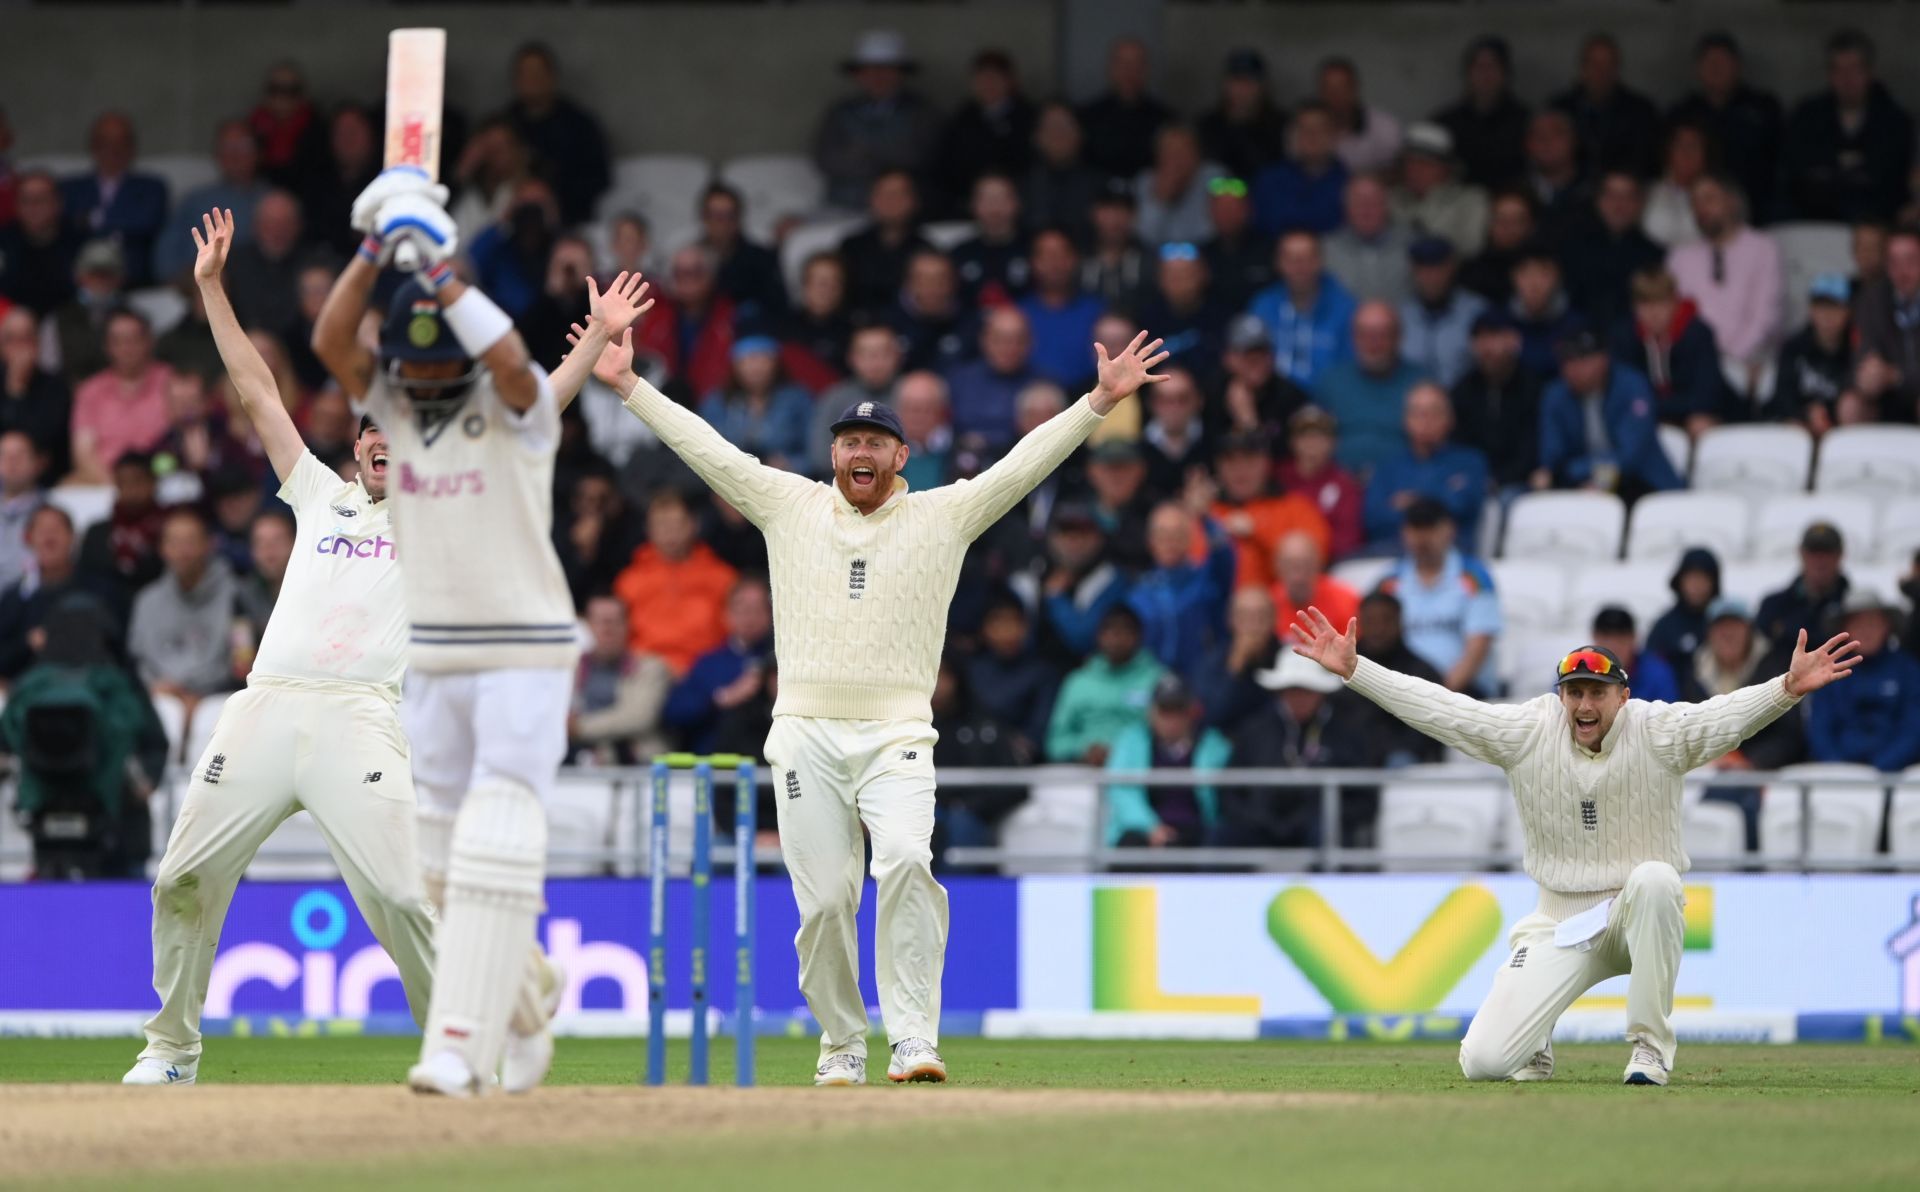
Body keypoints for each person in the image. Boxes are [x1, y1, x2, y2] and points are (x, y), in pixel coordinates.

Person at [582, 284, 1169, 1084]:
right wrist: (629, 386)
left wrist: (1097, 403)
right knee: (825, 903)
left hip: (897, 733)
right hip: (805, 733)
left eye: (876, 442)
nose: (860, 453)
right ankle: (842, 1043)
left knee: (904, 863)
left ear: (901, 456)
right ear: (833, 455)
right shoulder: (788, 505)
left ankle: (915, 1037)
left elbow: (1021, 466)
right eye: (849, 441)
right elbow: (711, 451)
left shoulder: (943, 516)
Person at [310, 172, 645, 1097]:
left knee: (499, 829)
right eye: (403, 376)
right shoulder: (401, 417)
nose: (413, 389)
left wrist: (445, 269)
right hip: (439, 653)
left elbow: (509, 362)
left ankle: (458, 1047)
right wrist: (377, 248)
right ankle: (531, 997)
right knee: (434, 871)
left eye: (428, 373)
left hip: (527, 648)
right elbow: (333, 341)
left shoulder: (517, 412)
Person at [122, 209, 433, 1089]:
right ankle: (171, 1049)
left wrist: (594, 347)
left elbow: (533, 425)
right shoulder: (319, 494)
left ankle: (459, 1046)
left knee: (404, 898)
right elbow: (259, 391)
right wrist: (212, 289)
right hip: (265, 707)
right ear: (358, 443)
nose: (380, 442)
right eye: (370, 430)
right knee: (181, 879)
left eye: (397, 433)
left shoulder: (440, 515)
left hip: (360, 719)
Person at [1289, 605, 1858, 1085]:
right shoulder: (1529, 733)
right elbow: (1444, 710)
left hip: (1637, 911)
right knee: (1484, 1063)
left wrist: (1784, 690)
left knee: (1657, 879)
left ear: (1622, 695)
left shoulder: (1657, 731)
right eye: (1574, 693)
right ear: (1560, 695)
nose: (1584, 707)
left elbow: (1723, 717)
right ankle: (1535, 1038)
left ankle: (1649, 1048)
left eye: (1597, 693)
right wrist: (1356, 671)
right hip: (1560, 919)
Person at [1217, 647, 1375, 847]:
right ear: (1280, 691)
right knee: (1226, 835)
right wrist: (1257, 817)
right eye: (1292, 690)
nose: (1299, 698)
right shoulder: (1255, 732)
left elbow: (1364, 800)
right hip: (1260, 826)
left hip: (1320, 830)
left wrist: (1322, 813)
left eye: (1307, 690)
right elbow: (1229, 793)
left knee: (1330, 834)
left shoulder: (1346, 735)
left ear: (1321, 693)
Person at [1666, 176, 1781, 398]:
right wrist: (1713, 360)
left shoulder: (1763, 248)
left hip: (1752, 361)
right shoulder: (1679, 257)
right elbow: (1674, 317)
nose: (1701, 208)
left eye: (1709, 199)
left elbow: (1766, 317)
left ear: (1732, 202)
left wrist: (1731, 359)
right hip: (1697, 362)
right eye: (1695, 201)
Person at [1782, 30, 1914, 223]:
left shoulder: (1895, 122)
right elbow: (1795, 175)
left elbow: (1892, 183)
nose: (1847, 79)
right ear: (1829, 74)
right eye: (1838, 70)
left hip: (1875, 226)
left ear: (1869, 72)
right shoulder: (1807, 117)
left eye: (1855, 69)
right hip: (1814, 222)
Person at [1538, 328, 1682, 499]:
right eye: (1567, 361)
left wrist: (1582, 472)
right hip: (1579, 485)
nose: (1573, 369)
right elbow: (1552, 455)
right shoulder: (1555, 395)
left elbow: (1629, 457)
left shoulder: (1632, 387)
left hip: (1642, 484)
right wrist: (1563, 475)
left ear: (1603, 360)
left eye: (1582, 360)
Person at [1377, 497, 1500, 695]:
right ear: (1404, 533)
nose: (1423, 538)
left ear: (1449, 530)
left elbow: (1478, 646)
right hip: (1404, 695)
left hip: (1464, 694)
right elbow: (1378, 642)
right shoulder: (1390, 581)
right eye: (1416, 528)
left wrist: (1439, 698)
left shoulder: (1474, 577)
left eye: (1430, 527)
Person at [612, 487, 740, 676]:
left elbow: (735, 634)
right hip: (646, 669)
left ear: (694, 525)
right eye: (661, 525)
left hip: (704, 668)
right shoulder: (629, 580)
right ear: (648, 530)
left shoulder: (722, 577)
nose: (670, 533)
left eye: (677, 524)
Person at [815, 31, 939, 211]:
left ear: (900, 73)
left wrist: (863, 153)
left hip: (900, 210)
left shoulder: (922, 112)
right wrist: (880, 155)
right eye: (869, 70)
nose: (877, 76)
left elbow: (921, 157)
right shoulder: (841, 112)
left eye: (885, 69)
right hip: (846, 204)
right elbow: (826, 159)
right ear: (859, 75)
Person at [1103, 674, 1230, 848]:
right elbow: (1121, 791)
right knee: (1130, 844)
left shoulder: (1215, 746)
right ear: (1151, 713)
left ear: (1192, 711)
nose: (1172, 720)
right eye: (1165, 711)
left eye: (1179, 710)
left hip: (1197, 833)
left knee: (1220, 842)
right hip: (1145, 833)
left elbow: (1224, 801)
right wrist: (1150, 827)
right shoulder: (1131, 741)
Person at [1667, 32, 1782, 223]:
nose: (1716, 68)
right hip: (1694, 211)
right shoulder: (1683, 113)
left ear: (1737, 66)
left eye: (1723, 62)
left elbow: (1778, 163)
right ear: (1698, 68)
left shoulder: (1763, 108)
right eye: (1709, 62)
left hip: (1755, 209)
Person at [1362, 383, 1489, 553]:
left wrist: (1411, 503)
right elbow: (1375, 519)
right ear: (1405, 420)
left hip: (1452, 556)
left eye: (1434, 412)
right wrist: (1437, 501)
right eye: (1418, 413)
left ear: (1450, 419)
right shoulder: (1387, 466)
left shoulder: (1470, 461)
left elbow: (1462, 506)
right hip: (1392, 553)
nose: (1426, 420)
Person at [662, 577, 775, 756]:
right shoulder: (708, 663)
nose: (750, 617)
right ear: (726, 614)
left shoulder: (781, 660)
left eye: (757, 609)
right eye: (743, 609)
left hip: (769, 763)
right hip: (716, 765)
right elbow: (673, 713)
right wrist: (723, 697)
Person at [1807, 592, 1920, 772]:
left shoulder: (1908, 671)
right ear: (1845, 629)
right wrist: (1839, 770)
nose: (1866, 630)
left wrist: (1882, 768)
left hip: (1897, 777)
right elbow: (1820, 730)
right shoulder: (1829, 672)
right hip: (1837, 778)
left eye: (1873, 623)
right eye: (1858, 623)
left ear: (1887, 626)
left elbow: (1913, 728)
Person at [1314, 300, 1427, 478]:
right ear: (1353, 337)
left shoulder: (1421, 383)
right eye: (1364, 334)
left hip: (1405, 480)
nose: (1373, 343)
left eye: (1382, 334)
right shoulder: (1331, 381)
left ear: (1398, 337)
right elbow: (1313, 441)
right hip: (1342, 483)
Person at [1609, 267, 1728, 435]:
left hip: (1689, 414)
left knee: (1700, 424)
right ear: (1634, 306)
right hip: (1646, 413)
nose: (1653, 313)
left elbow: (1706, 395)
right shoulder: (1624, 336)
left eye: (1661, 303)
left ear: (1675, 302)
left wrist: (1653, 406)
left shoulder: (1697, 334)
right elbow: (1624, 392)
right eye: (1645, 304)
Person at [502, 42, 610, 227]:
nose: (531, 80)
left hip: (568, 222)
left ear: (552, 77)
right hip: (508, 222)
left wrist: (549, 192)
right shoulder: (505, 123)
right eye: (525, 74)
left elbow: (598, 178)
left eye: (537, 73)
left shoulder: (579, 125)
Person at [1207, 430, 1331, 587]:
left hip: (1282, 605)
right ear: (1219, 467)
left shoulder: (1296, 508)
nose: (1240, 470)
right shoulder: (1207, 514)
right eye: (1230, 462)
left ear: (1266, 464)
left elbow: (1315, 560)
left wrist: (1257, 533)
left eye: (1249, 460)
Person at [60, 112, 169, 289]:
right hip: (79, 280)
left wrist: (92, 220)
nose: (113, 149)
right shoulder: (70, 188)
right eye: (105, 142)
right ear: (93, 146)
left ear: (132, 147)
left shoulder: (152, 187)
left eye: (121, 142)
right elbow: (66, 226)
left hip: (134, 279)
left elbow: (146, 223)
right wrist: (123, 220)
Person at [1128, 501, 1236, 677]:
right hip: (1152, 686)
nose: (1170, 542)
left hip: (1202, 682)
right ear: (1150, 541)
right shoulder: (1138, 593)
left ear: (1189, 539)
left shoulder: (1206, 581)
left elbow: (1224, 557)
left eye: (1177, 535)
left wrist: (1206, 519)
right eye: (1162, 535)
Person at [154, 121, 268, 284]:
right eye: (227, 146)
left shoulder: (273, 202)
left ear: (258, 152)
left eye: (243, 145)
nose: (235, 153)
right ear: (217, 154)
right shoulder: (193, 201)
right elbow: (167, 256)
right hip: (197, 290)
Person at [70, 307, 173, 484]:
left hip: (162, 477)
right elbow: (83, 454)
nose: (126, 348)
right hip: (105, 483)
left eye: (133, 340)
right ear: (106, 347)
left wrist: (148, 484)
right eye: (118, 341)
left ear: (149, 341)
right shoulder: (90, 390)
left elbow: (180, 440)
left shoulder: (171, 381)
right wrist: (117, 488)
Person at [568, 593, 672, 766]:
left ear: (628, 625)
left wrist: (578, 727)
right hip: (576, 764)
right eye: (601, 621)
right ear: (587, 626)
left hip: (635, 767)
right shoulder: (569, 669)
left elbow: (637, 718)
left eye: (615, 621)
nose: (608, 629)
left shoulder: (650, 667)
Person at [1345, 590, 1446, 765]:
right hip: (1351, 763)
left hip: (1406, 768)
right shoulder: (1342, 670)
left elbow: (1430, 734)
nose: (1378, 629)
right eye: (1371, 621)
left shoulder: (1425, 674)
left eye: (1386, 620)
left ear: (1400, 622)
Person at [1247, 231, 1356, 389]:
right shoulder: (1262, 306)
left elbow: (1351, 370)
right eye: (1290, 259)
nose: (1299, 266)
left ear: (1320, 261)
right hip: (1274, 403)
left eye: (1306, 258)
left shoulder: (1346, 309)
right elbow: (1250, 361)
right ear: (1278, 263)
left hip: (1329, 405)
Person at [1449, 309, 1542, 494]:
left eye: (1494, 336)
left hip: (1518, 482)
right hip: (1472, 481)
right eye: (1480, 338)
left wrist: (1498, 480)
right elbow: (1458, 445)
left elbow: (1531, 448)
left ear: (1514, 340)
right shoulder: (1463, 390)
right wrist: (1477, 479)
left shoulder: (1533, 387)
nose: (1487, 347)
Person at [934, 50, 1036, 217]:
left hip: (1015, 204)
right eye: (982, 79)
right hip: (967, 203)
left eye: (994, 78)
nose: (988, 84)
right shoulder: (963, 118)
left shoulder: (1027, 118)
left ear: (1010, 81)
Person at [1560, 171, 1664, 335]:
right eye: (1611, 195)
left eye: (1627, 196)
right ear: (1598, 201)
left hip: (1635, 347)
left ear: (1640, 203)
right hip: (1580, 344)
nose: (1619, 204)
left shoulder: (1655, 256)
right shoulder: (1573, 249)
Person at [1550, 33, 1659, 181]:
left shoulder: (1641, 112)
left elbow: (1646, 162)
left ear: (1617, 69)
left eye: (1608, 64)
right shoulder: (1559, 110)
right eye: (1594, 63)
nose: (1601, 71)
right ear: (1582, 68)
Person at [965, 592, 1060, 758]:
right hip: (970, 758)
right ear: (984, 628)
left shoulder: (1043, 673)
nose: (1007, 630)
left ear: (1026, 626)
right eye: (998, 622)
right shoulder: (970, 670)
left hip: (1022, 767)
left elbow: (1039, 731)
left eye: (1014, 621)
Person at [698, 337, 813, 471]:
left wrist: (791, 465)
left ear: (776, 363)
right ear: (734, 365)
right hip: (730, 476)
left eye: (763, 359)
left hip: (786, 479)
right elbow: (704, 448)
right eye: (747, 360)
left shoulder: (797, 400)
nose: (755, 368)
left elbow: (816, 451)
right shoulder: (717, 401)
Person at [1434, 36, 1530, 190]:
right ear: (1468, 73)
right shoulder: (1445, 123)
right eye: (1479, 67)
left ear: (1505, 73)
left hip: (1510, 201)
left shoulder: (1525, 121)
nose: (1486, 74)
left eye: (1492, 66)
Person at [1849, 225, 1920, 423]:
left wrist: (1898, 376)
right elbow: (1861, 349)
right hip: (1883, 398)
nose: (1902, 271)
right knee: (1851, 406)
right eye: (1894, 262)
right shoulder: (1871, 298)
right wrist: (1869, 370)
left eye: (1910, 260)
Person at [1018, 228, 1105, 388]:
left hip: (1087, 398)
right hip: (1032, 402)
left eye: (1062, 255)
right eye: (1046, 256)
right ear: (1033, 262)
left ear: (1075, 259)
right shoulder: (1018, 314)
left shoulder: (1097, 311)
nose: (1054, 264)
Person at [1768, 273, 1856, 433]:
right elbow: (1782, 397)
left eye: (1834, 307)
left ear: (1847, 311)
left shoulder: (1856, 348)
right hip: (1798, 427)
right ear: (1811, 310)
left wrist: (1827, 414)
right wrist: (1806, 413)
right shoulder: (1793, 347)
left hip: (1840, 431)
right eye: (1821, 307)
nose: (1827, 316)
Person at [1077, 37, 1173, 182]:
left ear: (1146, 69)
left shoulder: (1166, 119)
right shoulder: (1086, 117)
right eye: (1122, 63)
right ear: (1110, 68)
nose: (1129, 71)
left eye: (1137, 64)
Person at [1755, 523, 1852, 663]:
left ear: (1840, 555)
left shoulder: (1854, 607)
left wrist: (1787, 632)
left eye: (1827, 552)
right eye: (1814, 552)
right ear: (1801, 554)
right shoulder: (1772, 605)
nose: (1820, 560)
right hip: (1784, 682)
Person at [1275, 404, 1362, 560]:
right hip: (1280, 562)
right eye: (1305, 435)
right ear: (1292, 441)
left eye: (1320, 436)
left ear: (1333, 442)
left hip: (1329, 564)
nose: (1312, 443)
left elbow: (1348, 539)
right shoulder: (1278, 478)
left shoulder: (1344, 484)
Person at [842, 170, 935, 312]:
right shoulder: (851, 247)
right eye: (884, 194)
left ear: (915, 201)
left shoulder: (927, 251)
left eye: (899, 194)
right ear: (871, 199)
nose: (891, 201)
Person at [1391, 124, 1489, 258]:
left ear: (1446, 169)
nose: (1414, 171)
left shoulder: (1471, 201)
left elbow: (1472, 249)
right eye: (1409, 163)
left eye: (1424, 164)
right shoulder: (1391, 198)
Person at [1399, 236, 1486, 388]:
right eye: (1424, 270)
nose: (1432, 278)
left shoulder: (1476, 312)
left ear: (1451, 268)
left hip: (1463, 405)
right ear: (1414, 271)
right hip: (1410, 407)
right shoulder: (1399, 315)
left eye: (1438, 269)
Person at [1251, 102, 1348, 237]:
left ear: (1334, 137)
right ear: (1291, 136)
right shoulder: (1268, 181)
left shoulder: (1349, 185)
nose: (1312, 136)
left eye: (1320, 129)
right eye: (1304, 129)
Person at [697, 183, 787, 319]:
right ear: (704, 217)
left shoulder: (763, 259)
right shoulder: (689, 259)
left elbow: (776, 310)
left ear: (738, 218)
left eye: (728, 215)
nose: (721, 222)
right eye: (715, 215)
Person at [1198, 49, 1288, 182]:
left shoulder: (1280, 125)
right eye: (1237, 81)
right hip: (1219, 197)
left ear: (1263, 86)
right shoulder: (1208, 125)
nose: (1243, 89)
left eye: (1250, 82)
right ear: (1226, 84)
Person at [1322, 174, 1413, 305]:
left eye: (1373, 202)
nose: (1366, 209)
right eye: (1358, 202)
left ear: (1386, 205)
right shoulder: (1325, 250)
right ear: (1345, 207)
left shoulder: (1411, 245)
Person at [0, 171, 81, 317]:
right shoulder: (4, 241)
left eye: (41, 200)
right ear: (16, 205)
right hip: (11, 325)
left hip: (68, 324)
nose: (33, 207)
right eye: (26, 200)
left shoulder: (79, 241)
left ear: (58, 203)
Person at [1023, 102, 1104, 241]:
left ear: (1080, 134)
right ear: (1036, 137)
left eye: (1065, 127)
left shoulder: (1101, 186)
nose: (1058, 134)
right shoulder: (1022, 187)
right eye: (1051, 127)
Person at [1134, 124, 1222, 248]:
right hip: (1157, 256)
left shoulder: (1215, 177)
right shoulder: (1144, 181)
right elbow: (1145, 236)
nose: (1177, 159)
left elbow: (1223, 228)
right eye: (1170, 152)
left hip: (1207, 253)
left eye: (1183, 151)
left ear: (1197, 154)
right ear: (1158, 156)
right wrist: (1161, 199)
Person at [1268, 528, 1359, 648]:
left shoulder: (1345, 600)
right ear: (1276, 566)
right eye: (1290, 565)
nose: (1298, 575)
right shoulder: (1267, 603)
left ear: (1319, 564)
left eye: (1305, 564)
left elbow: (1354, 651)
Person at [951, 173, 1031, 306]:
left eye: (1002, 198)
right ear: (973, 205)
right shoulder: (959, 254)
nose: (994, 206)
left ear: (1017, 203)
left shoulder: (1034, 250)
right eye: (986, 199)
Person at [1318, 58, 1402, 176]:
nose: (1335, 95)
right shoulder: (1305, 128)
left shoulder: (1385, 127)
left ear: (1355, 88)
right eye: (1328, 88)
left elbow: (1396, 172)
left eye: (1342, 87)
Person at [1646, 547, 1722, 675]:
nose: (1697, 585)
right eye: (1692, 578)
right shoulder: (1664, 627)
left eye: (1703, 578)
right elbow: (1652, 672)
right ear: (1680, 581)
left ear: (1714, 583)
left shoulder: (1726, 624)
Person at [1590, 605, 1679, 704]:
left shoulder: (1658, 673)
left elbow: (1668, 715)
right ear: (1594, 638)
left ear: (1634, 638)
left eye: (1621, 638)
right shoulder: (1581, 673)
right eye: (1606, 637)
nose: (1613, 645)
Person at [1642, 124, 1708, 249]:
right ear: (1668, 151)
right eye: (1679, 145)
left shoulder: (1722, 197)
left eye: (1693, 146)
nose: (1686, 153)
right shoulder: (1647, 193)